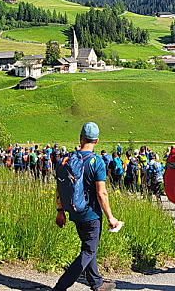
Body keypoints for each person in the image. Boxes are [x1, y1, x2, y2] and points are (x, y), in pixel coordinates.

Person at [54, 122, 120, 291]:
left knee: (89, 247)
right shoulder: (97, 161)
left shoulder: (68, 159)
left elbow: (60, 187)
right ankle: (60, 286)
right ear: (97, 140)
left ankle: (96, 282)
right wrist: (110, 217)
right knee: (88, 251)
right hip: (91, 214)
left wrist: (60, 211)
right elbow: (101, 193)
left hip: (75, 212)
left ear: (81, 138)